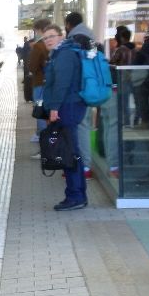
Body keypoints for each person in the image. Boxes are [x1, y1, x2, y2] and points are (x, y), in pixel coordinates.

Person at [40, 24, 88, 211]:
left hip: (67, 107)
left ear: (61, 36)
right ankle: (77, 194)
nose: (48, 40)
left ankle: (75, 196)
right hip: (67, 106)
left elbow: (62, 84)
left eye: (52, 36)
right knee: (70, 151)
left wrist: (54, 108)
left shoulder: (65, 55)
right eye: (45, 38)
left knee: (69, 152)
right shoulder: (60, 54)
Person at [64, 12, 96, 179]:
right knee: (83, 124)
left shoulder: (77, 37)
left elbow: (73, 65)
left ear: (68, 24)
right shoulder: (89, 34)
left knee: (80, 126)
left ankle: (84, 166)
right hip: (88, 86)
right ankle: (82, 164)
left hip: (80, 88)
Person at [106, 25, 136, 175]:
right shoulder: (134, 50)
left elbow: (111, 67)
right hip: (129, 87)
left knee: (116, 123)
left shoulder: (120, 50)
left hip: (118, 88)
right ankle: (128, 155)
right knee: (125, 121)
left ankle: (117, 160)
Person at [26, 18, 51, 145]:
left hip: (40, 84)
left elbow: (32, 67)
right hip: (51, 84)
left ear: (41, 30)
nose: (35, 33)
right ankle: (49, 141)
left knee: (41, 113)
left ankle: (44, 143)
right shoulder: (54, 43)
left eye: (36, 31)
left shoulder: (39, 46)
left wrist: (33, 51)